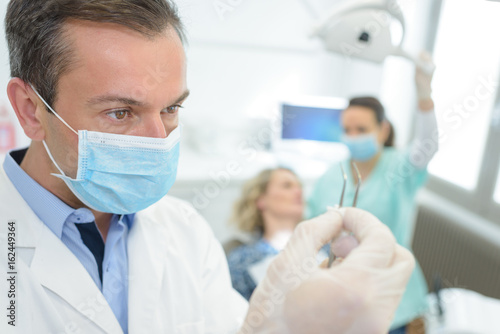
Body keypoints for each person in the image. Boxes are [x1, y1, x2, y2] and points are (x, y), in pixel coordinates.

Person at [0, 0, 415, 333]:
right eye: (121, 113)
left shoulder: (185, 231)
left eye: (171, 108)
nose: (158, 141)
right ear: (31, 110)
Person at [308, 61, 438, 333]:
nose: (353, 137)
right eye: (348, 130)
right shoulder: (332, 175)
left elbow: (427, 146)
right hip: (343, 291)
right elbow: (311, 228)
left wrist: (424, 95)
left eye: (362, 129)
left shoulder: (399, 167)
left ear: (383, 130)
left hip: (392, 294)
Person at [227, 168, 305, 300]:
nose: (298, 192)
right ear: (261, 200)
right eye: (287, 186)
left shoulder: (324, 247)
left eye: (299, 187)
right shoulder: (241, 261)